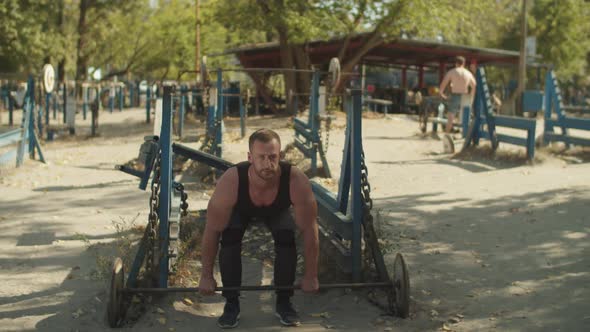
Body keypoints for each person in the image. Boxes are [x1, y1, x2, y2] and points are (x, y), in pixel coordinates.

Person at [198, 128, 320, 329]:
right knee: (229, 238)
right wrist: (206, 276)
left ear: (280, 156)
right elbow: (212, 229)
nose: (267, 163)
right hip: (240, 209)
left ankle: (284, 302)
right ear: (249, 157)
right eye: (261, 157)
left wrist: (311, 276)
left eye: (272, 157)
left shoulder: (295, 180)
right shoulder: (232, 180)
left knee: (286, 238)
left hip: (276, 209)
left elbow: (309, 229)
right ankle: (231, 303)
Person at [439, 56, 476, 135]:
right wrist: (471, 97)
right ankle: (465, 136)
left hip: (455, 95)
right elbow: (474, 86)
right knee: (465, 117)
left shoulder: (452, 72)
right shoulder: (468, 73)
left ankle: (447, 135)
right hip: (466, 96)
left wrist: (442, 93)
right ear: (464, 63)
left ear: (456, 63)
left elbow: (443, 84)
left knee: (451, 117)